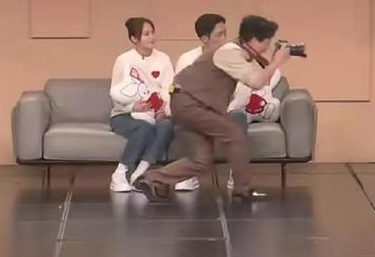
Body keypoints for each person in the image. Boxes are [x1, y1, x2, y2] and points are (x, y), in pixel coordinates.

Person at [135, 15, 292, 201]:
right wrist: (277, 61)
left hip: (190, 103)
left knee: (201, 160)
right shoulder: (230, 53)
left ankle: (151, 179)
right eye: (266, 42)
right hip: (190, 103)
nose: (267, 46)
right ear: (255, 40)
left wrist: (272, 60)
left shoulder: (240, 54)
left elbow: (258, 77)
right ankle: (243, 189)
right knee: (234, 133)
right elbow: (256, 82)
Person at [171, 13, 247, 192]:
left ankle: (236, 174)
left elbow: (243, 91)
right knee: (185, 120)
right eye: (219, 35)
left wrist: (225, 109)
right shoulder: (187, 59)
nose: (224, 39)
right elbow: (175, 89)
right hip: (197, 112)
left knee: (238, 118)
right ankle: (187, 175)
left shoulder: (232, 56)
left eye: (225, 33)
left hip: (225, 109)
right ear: (204, 38)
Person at [108, 17, 175, 192]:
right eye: (146, 34)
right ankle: (120, 174)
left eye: (152, 32)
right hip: (124, 115)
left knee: (166, 126)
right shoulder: (124, 60)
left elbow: (169, 88)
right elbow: (117, 91)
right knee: (144, 128)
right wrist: (133, 107)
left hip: (155, 113)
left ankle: (140, 173)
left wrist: (165, 109)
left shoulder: (163, 58)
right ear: (134, 38)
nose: (151, 37)